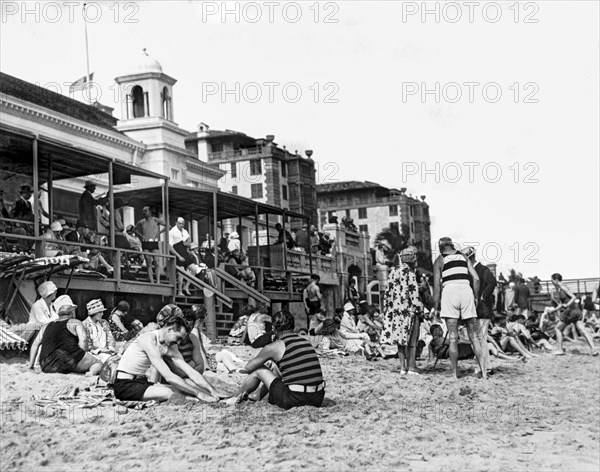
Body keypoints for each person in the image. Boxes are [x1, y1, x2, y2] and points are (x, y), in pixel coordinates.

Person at [113, 304, 226, 402]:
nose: (178, 342)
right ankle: (202, 400)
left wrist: (212, 390)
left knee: (181, 389)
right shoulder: (149, 340)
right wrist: (198, 393)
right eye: (177, 338)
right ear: (169, 329)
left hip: (142, 382)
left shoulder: (170, 346)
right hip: (125, 385)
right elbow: (169, 377)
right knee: (170, 392)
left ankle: (211, 397)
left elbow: (190, 372)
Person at [224, 310, 325, 410]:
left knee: (259, 370)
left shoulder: (275, 346)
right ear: (293, 328)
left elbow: (249, 368)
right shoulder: (305, 341)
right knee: (276, 369)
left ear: (273, 329)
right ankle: (256, 395)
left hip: (295, 399)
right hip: (318, 398)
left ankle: (235, 397)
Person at [433, 237, 487, 379]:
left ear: (441, 248)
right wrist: (475, 297)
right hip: (466, 290)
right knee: (474, 337)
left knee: (452, 337)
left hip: (450, 292)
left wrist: (436, 307)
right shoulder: (463, 257)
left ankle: (454, 373)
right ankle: (484, 372)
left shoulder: (439, 260)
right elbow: (476, 279)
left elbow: (437, 287)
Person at [380, 246, 425, 375]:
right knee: (412, 341)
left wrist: (388, 308)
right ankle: (411, 367)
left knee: (400, 341)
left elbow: (387, 293)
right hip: (408, 311)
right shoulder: (410, 273)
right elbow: (413, 294)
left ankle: (402, 368)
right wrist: (419, 308)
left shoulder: (393, 272)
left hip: (395, 311)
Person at [28, 298, 102, 375]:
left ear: (58, 314)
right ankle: (90, 374)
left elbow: (35, 345)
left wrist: (31, 365)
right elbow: (83, 344)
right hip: (70, 362)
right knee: (98, 363)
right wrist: (82, 356)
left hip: (46, 365)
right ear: (73, 313)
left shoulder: (46, 326)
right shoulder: (76, 323)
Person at [461, 246, 497, 375]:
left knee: (480, 338)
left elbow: (492, 282)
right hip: (474, 310)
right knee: (479, 339)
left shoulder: (482, 269)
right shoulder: (469, 271)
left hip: (482, 310)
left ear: (470, 257)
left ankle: (484, 367)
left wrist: (483, 297)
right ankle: (486, 366)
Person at [550, 273, 598, 356]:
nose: (552, 282)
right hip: (577, 311)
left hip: (570, 312)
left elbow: (573, 297)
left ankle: (560, 350)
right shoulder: (562, 288)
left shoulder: (563, 287)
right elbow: (561, 304)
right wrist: (553, 310)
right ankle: (594, 349)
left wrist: (567, 305)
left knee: (558, 328)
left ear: (556, 280)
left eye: (552, 280)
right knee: (582, 330)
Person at [169, 217, 202, 295]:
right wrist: (178, 256)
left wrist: (185, 243)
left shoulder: (185, 231)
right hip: (177, 253)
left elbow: (189, 242)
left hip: (184, 252)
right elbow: (170, 247)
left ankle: (186, 286)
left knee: (194, 269)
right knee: (182, 272)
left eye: (182, 223)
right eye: (179, 223)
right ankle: (179, 291)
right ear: (176, 223)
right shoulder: (172, 232)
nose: (181, 225)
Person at [135, 206, 166, 284]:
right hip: (146, 243)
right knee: (149, 263)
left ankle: (158, 281)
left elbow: (168, 226)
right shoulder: (142, 222)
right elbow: (135, 229)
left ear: (149, 211)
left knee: (156, 262)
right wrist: (141, 235)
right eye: (143, 211)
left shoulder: (155, 220)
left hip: (154, 242)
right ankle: (152, 281)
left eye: (145, 211)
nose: (143, 212)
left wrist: (159, 233)